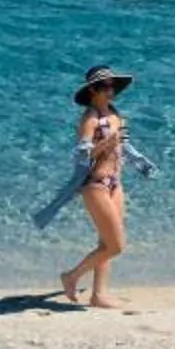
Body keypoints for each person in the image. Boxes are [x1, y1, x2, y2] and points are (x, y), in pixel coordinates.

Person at [58, 64, 134, 308]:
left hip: (115, 183)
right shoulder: (90, 120)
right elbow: (83, 156)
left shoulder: (116, 114)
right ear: (92, 90)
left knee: (105, 244)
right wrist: (108, 142)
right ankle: (71, 276)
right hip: (95, 185)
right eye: (103, 86)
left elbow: (122, 148)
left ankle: (98, 295)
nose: (109, 91)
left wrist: (140, 162)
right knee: (116, 245)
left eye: (112, 86)